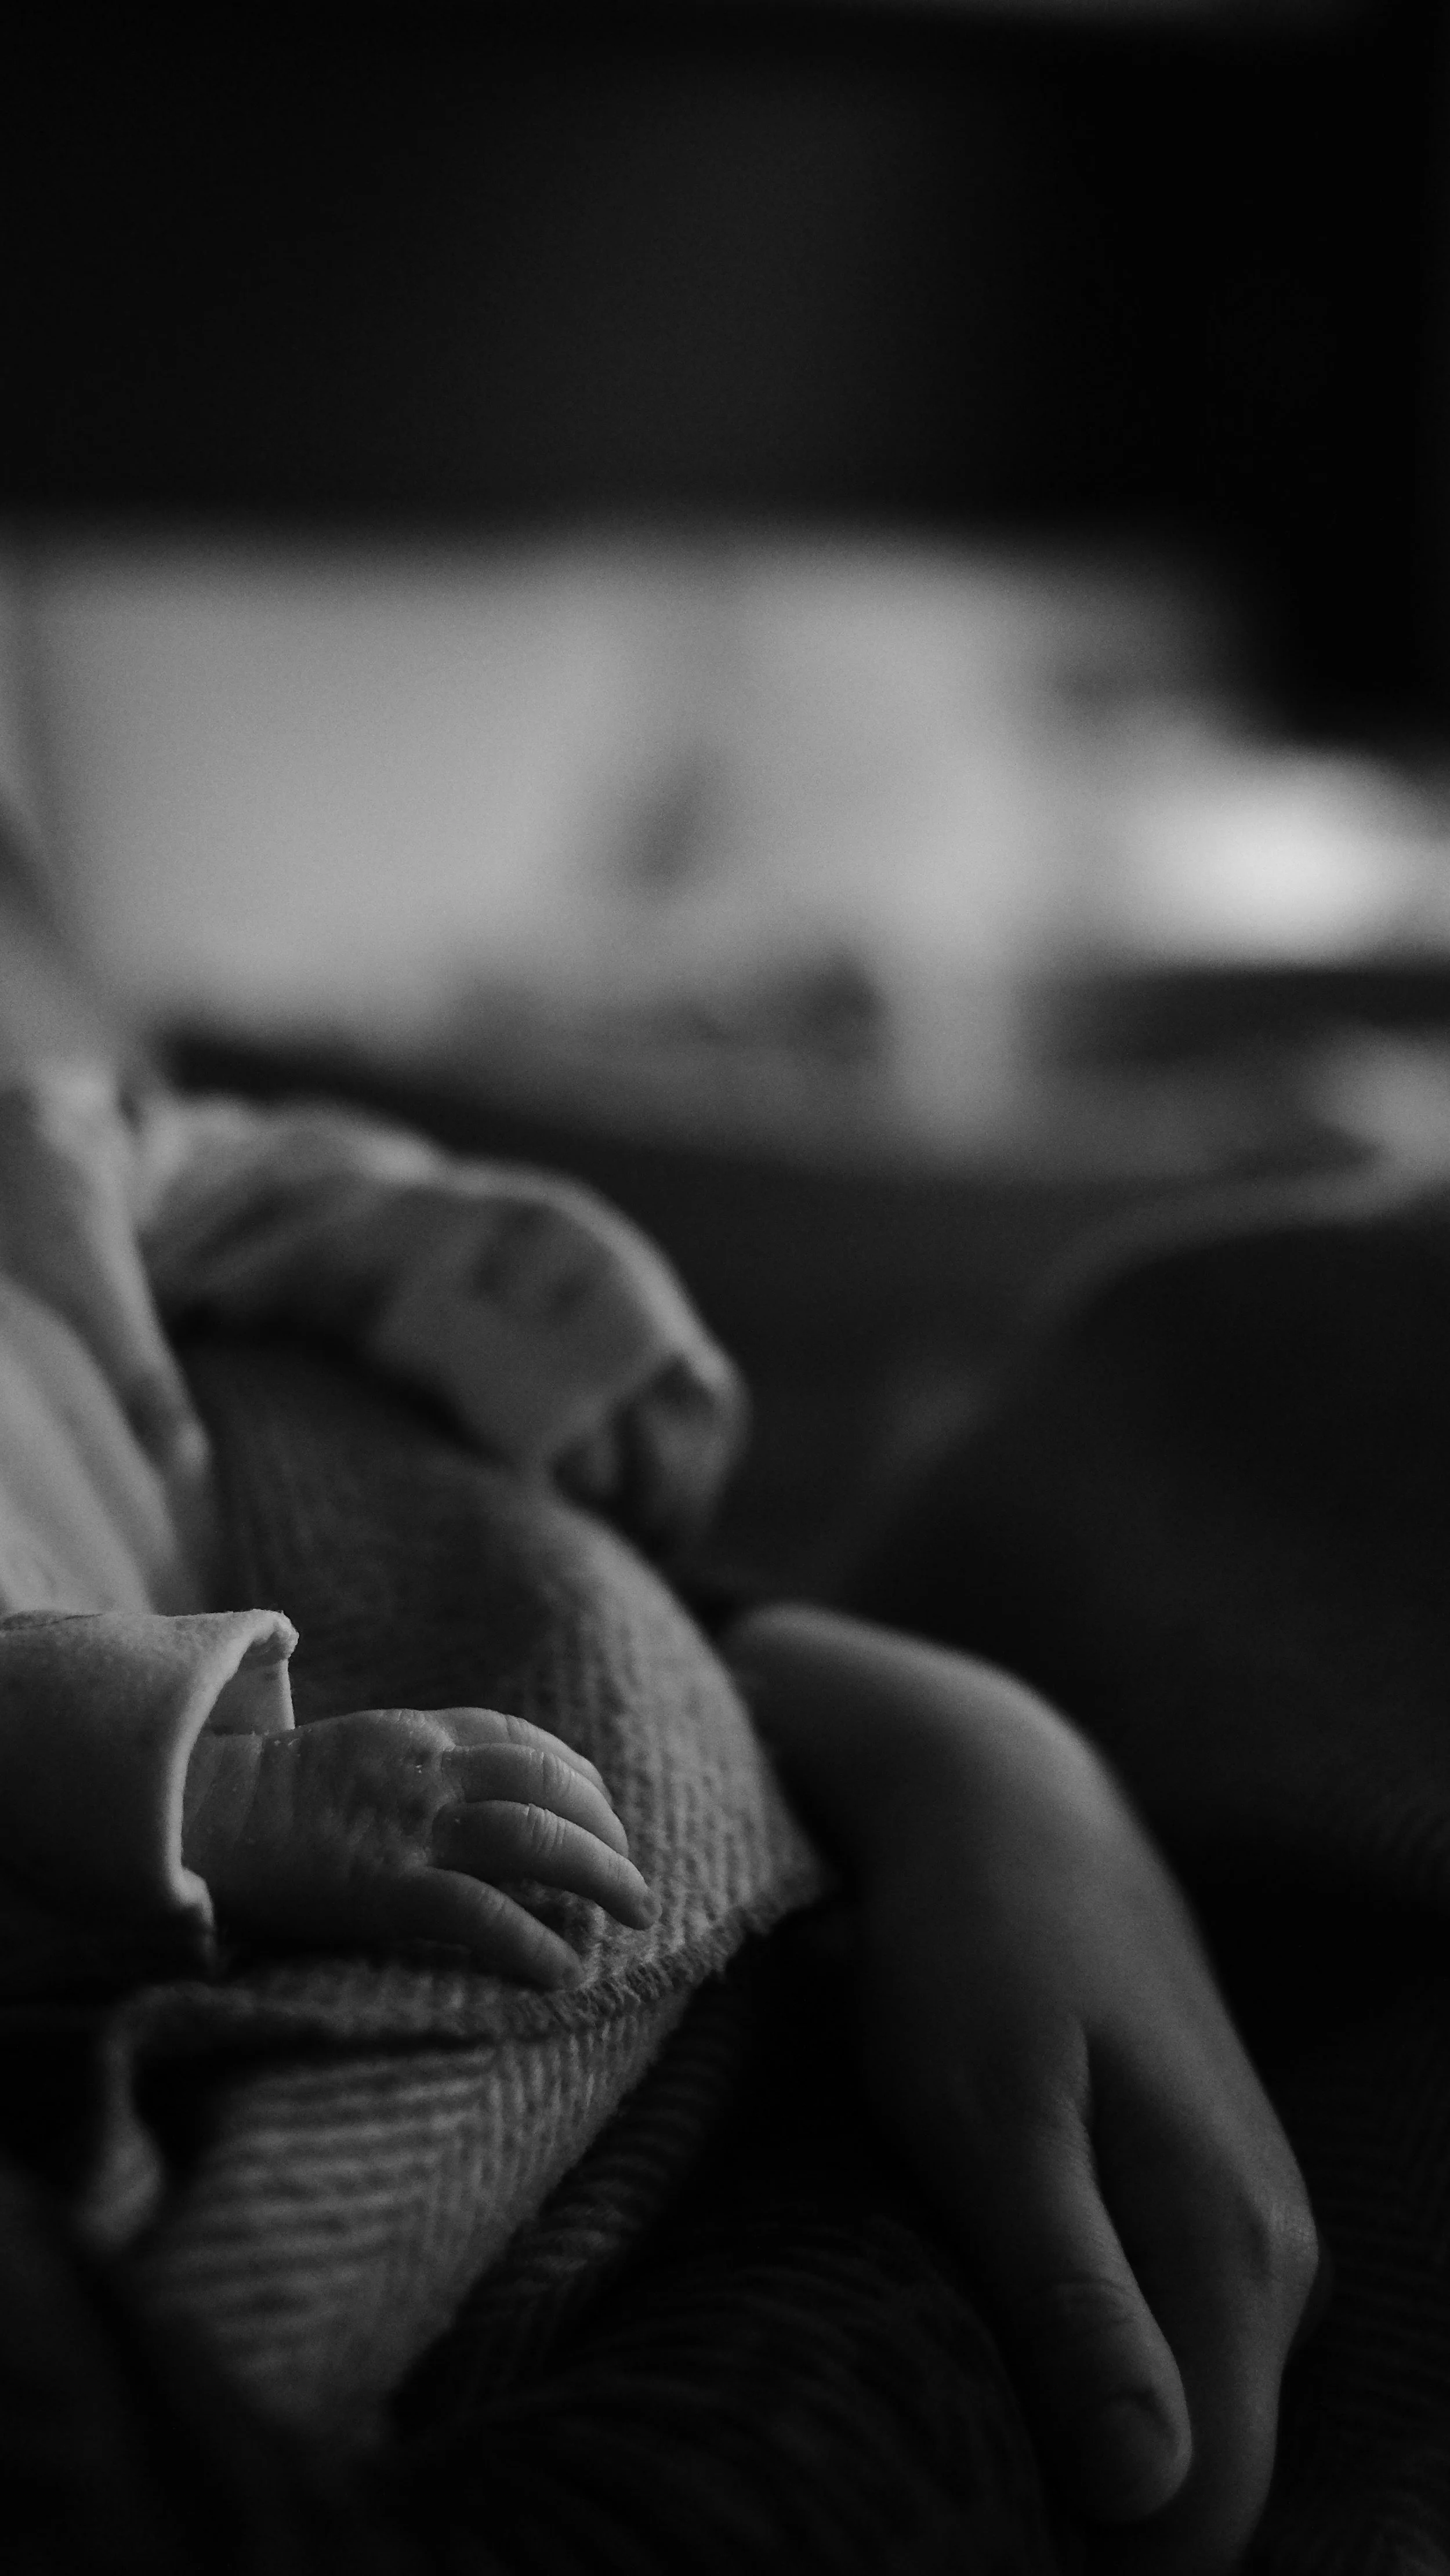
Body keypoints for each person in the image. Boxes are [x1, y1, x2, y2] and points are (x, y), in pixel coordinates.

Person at [0, 818, 1318, 2576]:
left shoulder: (57, 1150)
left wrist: (535, 1308)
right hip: (109, 1988)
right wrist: (219, 1800)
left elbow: (260, 1186)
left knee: (916, 2287)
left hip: (340, 1910)